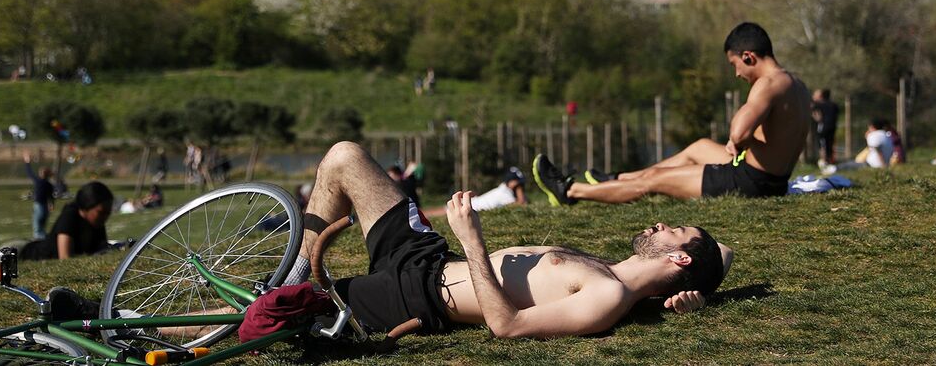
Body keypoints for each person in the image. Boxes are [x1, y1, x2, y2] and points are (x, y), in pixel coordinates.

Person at [276, 141, 731, 338]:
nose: (657, 225)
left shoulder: (609, 295)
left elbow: (507, 327)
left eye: (672, 230)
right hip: (428, 254)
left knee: (276, 315)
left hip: (416, 296)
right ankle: (287, 272)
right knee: (344, 157)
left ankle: (252, 305)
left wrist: (472, 241)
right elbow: (723, 254)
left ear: (679, 258)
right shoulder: (615, 274)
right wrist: (692, 298)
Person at [535, 22, 810, 205]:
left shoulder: (767, 84)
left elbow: (738, 132)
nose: (737, 73)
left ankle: (570, 191)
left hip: (751, 182)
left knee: (655, 182)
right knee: (699, 147)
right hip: (772, 178)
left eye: (735, 64)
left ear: (748, 56)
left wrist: (738, 141)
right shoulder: (796, 84)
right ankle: (620, 179)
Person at [426, 167, 527, 216]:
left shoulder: (502, 189)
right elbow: (522, 204)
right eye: (519, 184)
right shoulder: (505, 194)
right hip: (473, 207)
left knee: (441, 210)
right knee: (439, 212)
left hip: (474, 204)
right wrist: (519, 189)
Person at [821, 119, 893, 173]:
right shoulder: (886, 135)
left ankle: (832, 169)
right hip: (881, 164)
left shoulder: (873, 135)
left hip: (872, 165)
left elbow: (878, 149)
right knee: (852, 163)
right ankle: (832, 168)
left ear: (872, 127)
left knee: (849, 165)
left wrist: (883, 166)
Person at [23, 152, 55, 239]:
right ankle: (44, 239)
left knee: (37, 229)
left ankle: (38, 243)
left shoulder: (38, 181)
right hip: (45, 208)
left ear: (42, 174)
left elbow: (29, 173)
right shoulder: (49, 184)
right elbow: (51, 197)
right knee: (42, 228)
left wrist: (27, 162)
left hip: (39, 207)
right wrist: (52, 205)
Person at [811, 89, 839, 168]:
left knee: (822, 145)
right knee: (830, 144)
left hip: (823, 127)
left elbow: (815, 113)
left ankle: (824, 161)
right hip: (832, 127)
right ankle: (830, 161)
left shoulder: (818, 104)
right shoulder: (834, 105)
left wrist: (817, 118)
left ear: (821, 96)